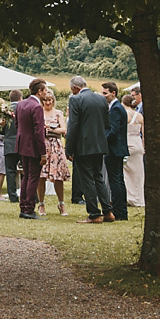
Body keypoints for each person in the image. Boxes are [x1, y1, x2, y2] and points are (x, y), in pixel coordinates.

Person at [66, 75, 113, 223]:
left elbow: (73, 125)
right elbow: (107, 124)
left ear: (75, 88)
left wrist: (69, 148)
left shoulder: (75, 99)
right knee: (98, 177)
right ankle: (107, 211)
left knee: (87, 179)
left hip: (83, 146)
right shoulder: (101, 99)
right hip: (99, 144)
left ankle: (94, 214)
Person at [15, 79, 48, 220]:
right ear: (39, 91)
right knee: (33, 178)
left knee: (26, 177)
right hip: (34, 146)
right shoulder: (37, 107)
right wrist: (43, 153)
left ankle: (23, 207)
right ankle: (28, 209)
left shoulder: (21, 104)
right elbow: (38, 132)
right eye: (45, 90)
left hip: (22, 144)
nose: (46, 92)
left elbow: (17, 125)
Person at [37, 89, 70, 216]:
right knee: (41, 176)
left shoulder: (58, 113)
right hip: (43, 145)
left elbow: (63, 129)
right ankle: (41, 204)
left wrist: (52, 129)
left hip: (55, 145)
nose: (48, 102)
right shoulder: (39, 112)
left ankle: (61, 203)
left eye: (50, 100)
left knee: (58, 177)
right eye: (45, 100)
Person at [102, 82, 129, 221]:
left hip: (114, 149)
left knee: (115, 181)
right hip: (117, 148)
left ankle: (119, 211)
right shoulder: (115, 107)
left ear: (113, 93)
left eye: (105, 93)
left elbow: (113, 131)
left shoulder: (116, 109)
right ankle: (121, 210)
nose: (103, 96)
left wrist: (102, 141)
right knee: (118, 179)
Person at [121, 93, 144, 207]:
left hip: (128, 142)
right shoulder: (139, 116)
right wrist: (143, 147)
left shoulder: (125, 114)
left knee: (126, 172)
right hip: (138, 144)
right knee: (138, 173)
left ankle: (129, 197)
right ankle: (138, 197)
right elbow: (144, 134)